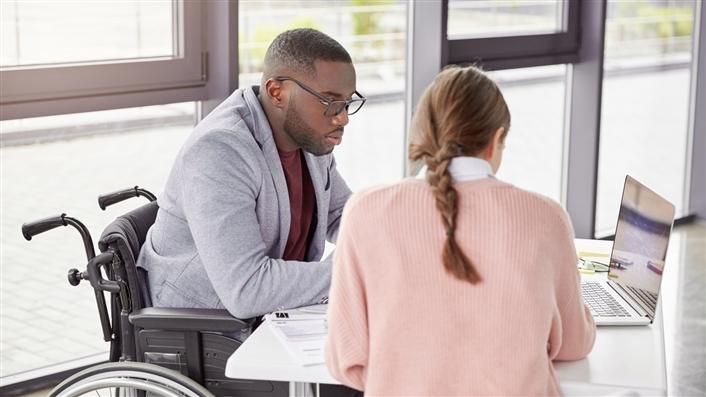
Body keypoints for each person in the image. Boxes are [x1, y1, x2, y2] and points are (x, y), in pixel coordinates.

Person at [325, 65, 596, 396]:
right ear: (496, 139)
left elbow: (346, 358)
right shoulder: (546, 216)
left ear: (423, 134)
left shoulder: (364, 211)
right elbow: (574, 345)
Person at [137, 28, 364, 326]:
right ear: (276, 92)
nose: (343, 117)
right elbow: (247, 288)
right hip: (207, 326)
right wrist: (356, 271)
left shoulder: (309, 136)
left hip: (278, 312)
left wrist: (393, 237)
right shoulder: (220, 150)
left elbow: (339, 215)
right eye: (330, 102)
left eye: (347, 103)